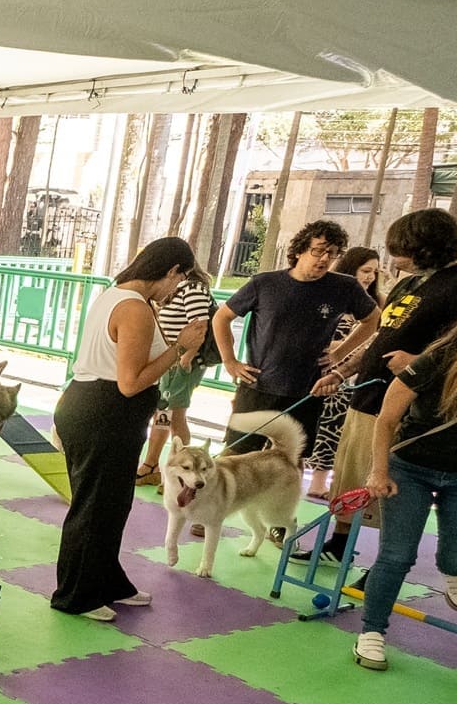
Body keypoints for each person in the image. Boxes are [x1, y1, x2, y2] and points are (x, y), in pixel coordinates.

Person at [52, 238, 210, 619]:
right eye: (181, 279)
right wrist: (180, 347)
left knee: (111, 505)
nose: (179, 289)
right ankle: (78, 595)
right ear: (171, 270)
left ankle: (107, 581)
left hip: (103, 413)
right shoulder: (133, 307)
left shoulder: (120, 295)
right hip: (102, 414)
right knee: (93, 508)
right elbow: (129, 382)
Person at [318, 209, 457, 560]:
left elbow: (456, 350)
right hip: (365, 394)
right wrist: (342, 369)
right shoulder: (409, 283)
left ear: (424, 247)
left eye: (400, 249)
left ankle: (386, 563)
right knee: (349, 477)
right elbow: (382, 335)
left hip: (404, 402)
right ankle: (338, 546)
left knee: (383, 486)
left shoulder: (456, 285)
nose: (392, 259)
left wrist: (416, 364)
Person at [212, 219, 378, 457]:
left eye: (331, 253)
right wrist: (229, 361)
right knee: (236, 456)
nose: (324, 258)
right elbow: (221, 318)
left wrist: (339, 353)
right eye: (318, 250)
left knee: (291, 461)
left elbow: (372, 320)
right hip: (259, 384)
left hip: (306, 389)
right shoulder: (265, 283)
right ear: (300, 250)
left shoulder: (345, 287)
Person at [354, 329, 457, 671]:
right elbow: (386, 419)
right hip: (410, 468)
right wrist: (379, 472)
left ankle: (454, 573)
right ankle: (372, 632)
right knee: (397, 555)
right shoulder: (437, 360)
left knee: (456, 558)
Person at [304, 247, 384, 496]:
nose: (370, 276)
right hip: (323, 372)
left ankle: (321, 482)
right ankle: (316, 482)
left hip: (351, 379)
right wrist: (339, 349)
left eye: (374, 271)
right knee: (319, 426)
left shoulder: (377, 304)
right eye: (365, 270)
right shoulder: (334, 296)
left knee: (336, 428)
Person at [135, 269, 215, 489]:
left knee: (170, 414)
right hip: (170, 360)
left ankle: (166, 469)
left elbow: (200, 326)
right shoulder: (177, 289)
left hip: (182, 363)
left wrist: (187, 357)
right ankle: (157, 467)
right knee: (166, 413)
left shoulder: (193, 288)